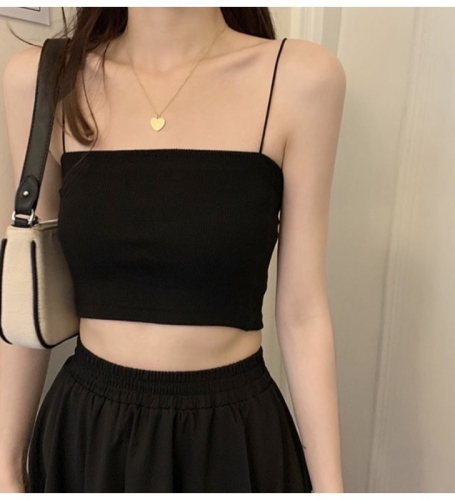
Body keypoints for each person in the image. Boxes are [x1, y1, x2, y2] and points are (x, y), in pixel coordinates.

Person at [0, 7, 346, 493]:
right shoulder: (43, 78)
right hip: (88, 438)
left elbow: (303, 314)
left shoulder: (300, 79)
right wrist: (6, 469)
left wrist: (331, 487)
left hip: (229, 439)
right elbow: (25, 289)